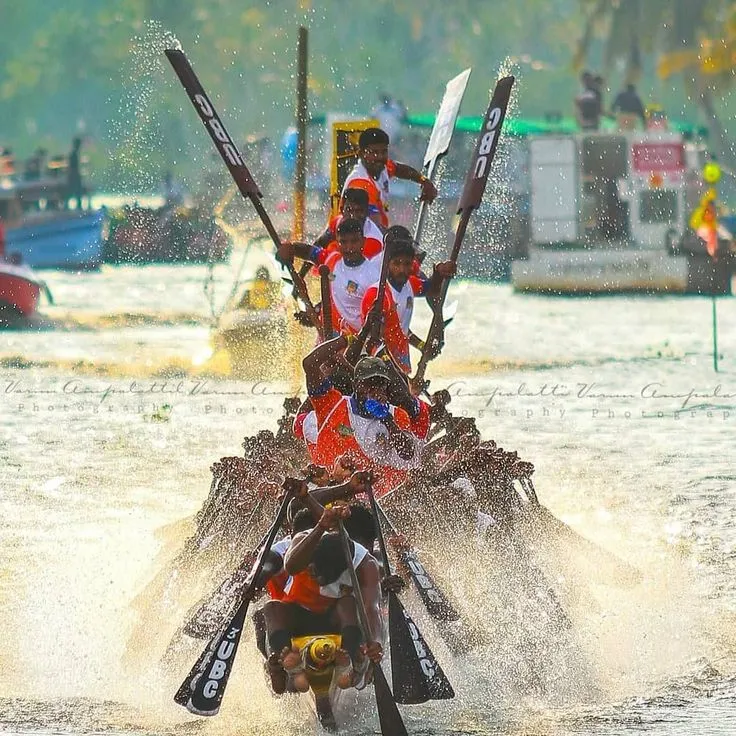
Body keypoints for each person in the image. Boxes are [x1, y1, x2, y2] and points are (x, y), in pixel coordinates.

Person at [263, 503, 384, 692]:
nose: (311, 573)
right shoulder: (303, 539)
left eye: (318, 575)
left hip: (335, 621)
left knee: (348, 603)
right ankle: (283, 662)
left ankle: (355, 664)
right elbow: (291, 566)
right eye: (311, 568)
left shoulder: (366, 564)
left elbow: (372, 609)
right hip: (298, 617)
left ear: (340, 570)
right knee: (272, 608)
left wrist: (376, 643)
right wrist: (321, 525)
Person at [302, 338, 430, 494]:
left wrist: (387, 420)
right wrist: (345, 339)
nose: (375, 389)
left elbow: (408, 455)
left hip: (376, 502)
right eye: (369, 383)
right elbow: (309, 364)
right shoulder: (332, 404)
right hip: (329, 494)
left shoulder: (396, 415)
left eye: (380, 384)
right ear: (356, 384)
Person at [361, 226, 456, 374]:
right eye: (397, 264)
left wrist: (439, 273)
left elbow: (432, 289)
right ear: (387, 263)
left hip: (401, 362)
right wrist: (402, 381)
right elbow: (375, 342)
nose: (402, 270)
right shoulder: (378, 294)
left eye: (406, 264)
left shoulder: (410, 283)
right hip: (380, 367)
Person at [279, 218, 381, 336]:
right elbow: (309, 252)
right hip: (328, 336)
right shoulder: (331, 260)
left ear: (363, 242)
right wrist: (290, 248)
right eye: (343, 242)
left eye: (354, 242)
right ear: (337, 243)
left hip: (356, 343)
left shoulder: (373, 276)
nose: (349, 248)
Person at [341, 127, 437, 230]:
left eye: (384, 151)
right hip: (351, 240)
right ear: (361, 154)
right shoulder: (361, 184)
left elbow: (400, 169)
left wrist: (423, 180)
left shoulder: (381, 167)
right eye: (374, 152)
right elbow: (376, 228)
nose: (380, 157)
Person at [67, 137, 84, 210]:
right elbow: (72, 167)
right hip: (74, 177)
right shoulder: (73, 154)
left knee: (76, 193)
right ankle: (77, 208)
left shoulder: (74, 153)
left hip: (74, 176)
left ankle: (78, 207)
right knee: (76, 193)